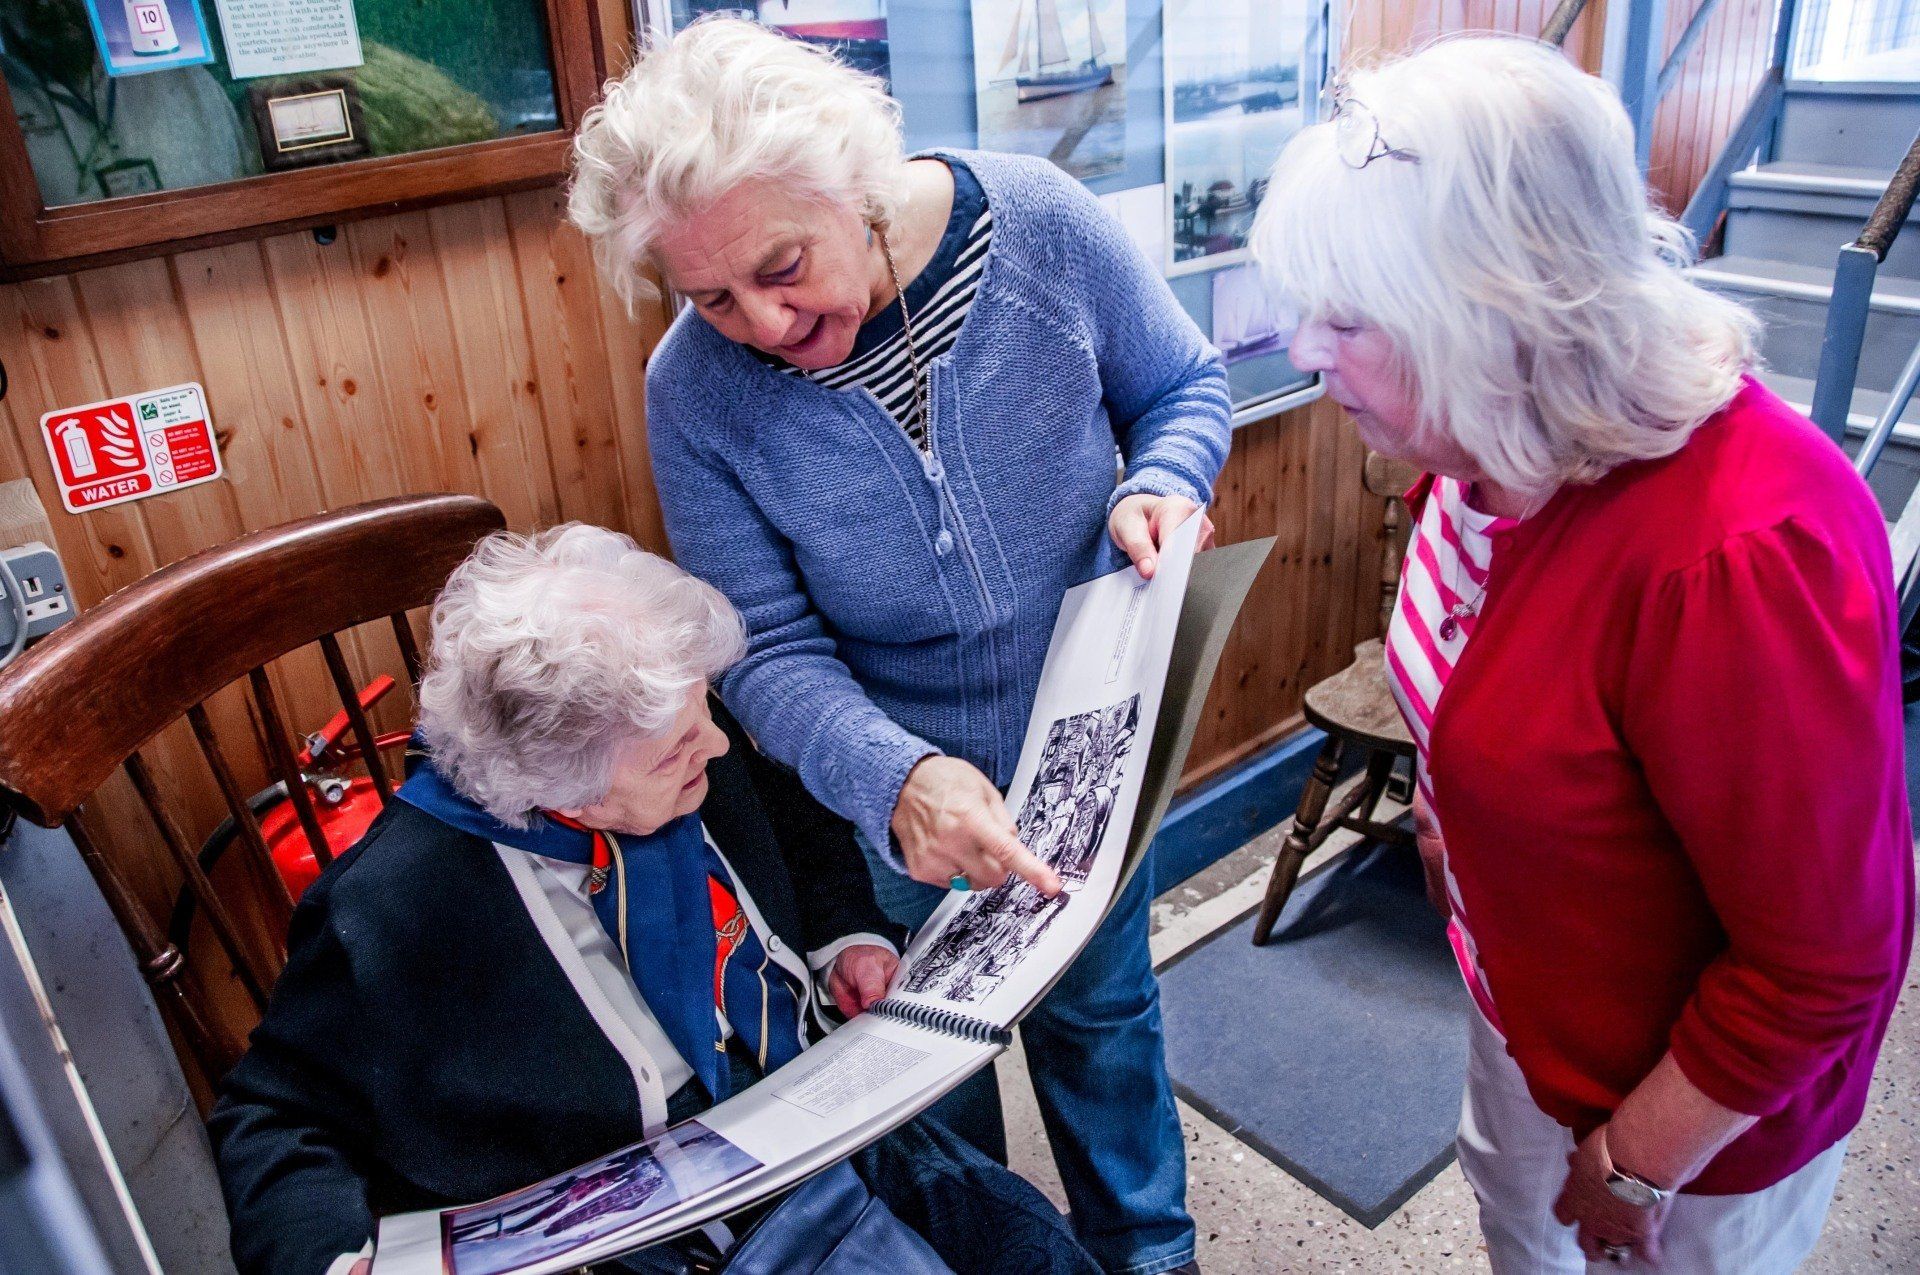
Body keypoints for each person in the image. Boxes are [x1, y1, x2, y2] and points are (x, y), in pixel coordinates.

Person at [567, 18, 1231, 1275]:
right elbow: (761, 647)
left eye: (783, 266)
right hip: (895, 800)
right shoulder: (691, 392)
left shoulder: (1036, 225)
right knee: (932, 1089)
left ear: (856, 182)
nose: (763, 322)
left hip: (1089, 757)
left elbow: (1183, 386)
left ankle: (1153, 1259)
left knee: (1106, 1032)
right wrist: (895, 779)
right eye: (711, 297)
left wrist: (1163, 480)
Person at [1251, 34, 1916, 1273]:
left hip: (1693, 1121)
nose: (1305, 351)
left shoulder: (1736, 555)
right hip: (1531, 1016)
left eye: (1350, 319)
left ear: (1500, 316)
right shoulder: (1483, 447)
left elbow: (1820, 964)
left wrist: (1635, 1163)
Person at [208, 525, 1098, 1275]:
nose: (717, 746)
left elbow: (799, 826)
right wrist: (330, 1259)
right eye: (679, 750)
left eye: (704, 713)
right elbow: (273, 1114)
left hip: (823, 1107)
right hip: (650, 1227)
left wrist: (845, 936)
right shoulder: (398, 905)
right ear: (563, 788)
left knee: (1038, 1254)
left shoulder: (677, 736)